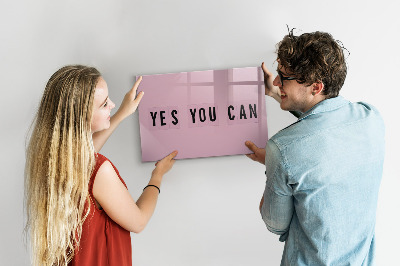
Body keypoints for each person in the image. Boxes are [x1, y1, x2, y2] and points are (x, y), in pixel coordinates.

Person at [245, 30, 385, 265]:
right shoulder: (371, 118)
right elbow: (325, 123)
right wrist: (278, 94)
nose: (277, 81)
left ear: (316, 87)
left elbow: (275, 224)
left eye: (284, 77)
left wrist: (273, 163)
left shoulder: (282, 149)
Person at [24, 65, 177, 266]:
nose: (112, 104)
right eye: (105, 104)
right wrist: (157, 175)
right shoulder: (99, 171)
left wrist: (122, 113)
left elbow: (86, 157)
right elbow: (138, 221)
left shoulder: (53, 160)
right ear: (81, 117)